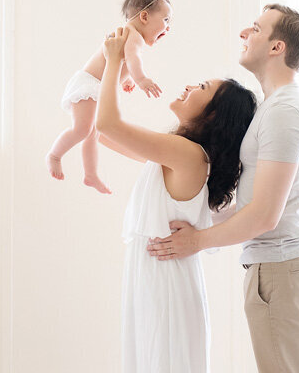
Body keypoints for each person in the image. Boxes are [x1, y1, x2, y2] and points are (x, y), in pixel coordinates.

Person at [146, 4, 299, 373]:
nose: (244, 32)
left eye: (256, 29)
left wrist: (196, 241)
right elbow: (257, 201)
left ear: (277, 47)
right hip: (275, 270)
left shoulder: (284, 113)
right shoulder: (275, 109)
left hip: (280, 270)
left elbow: (265, 215)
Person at [96, 26, 257, 373]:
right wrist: (121, 70)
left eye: (202, 88)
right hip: (156, 279)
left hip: (165, 285)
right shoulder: (177, 154)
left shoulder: (187, 154)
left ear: (213, 114)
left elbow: (107, 125)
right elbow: (104, 134)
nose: (188, 86)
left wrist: (113, 61)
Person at [46, 0, 170, 193]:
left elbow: (119, 62)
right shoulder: (134, 36)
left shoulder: (128, 34)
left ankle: (90, 174)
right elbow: (133, 59)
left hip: (94, 84)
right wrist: (141, 79)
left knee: (91, 133)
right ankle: (55, 155)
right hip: (89, 84)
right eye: (166, 20)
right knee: (83, 130)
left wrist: (126, 80)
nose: (168, 28)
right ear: (145, 17)